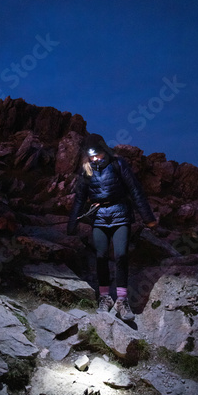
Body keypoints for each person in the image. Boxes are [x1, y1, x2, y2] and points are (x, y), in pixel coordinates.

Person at [67, 133, 157, 321]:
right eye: (92, 156)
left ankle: (122, 301)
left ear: (104, 150)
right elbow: (80, 197)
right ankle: (105, 297)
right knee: (100, 256)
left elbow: (135, 190)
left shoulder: (118, 164)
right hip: (99, 217)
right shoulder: (86, 170)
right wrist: (72, 222)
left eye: (98, 155)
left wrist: (148, 218)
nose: (95, 159)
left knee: (121, 255)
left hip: (121, 215)